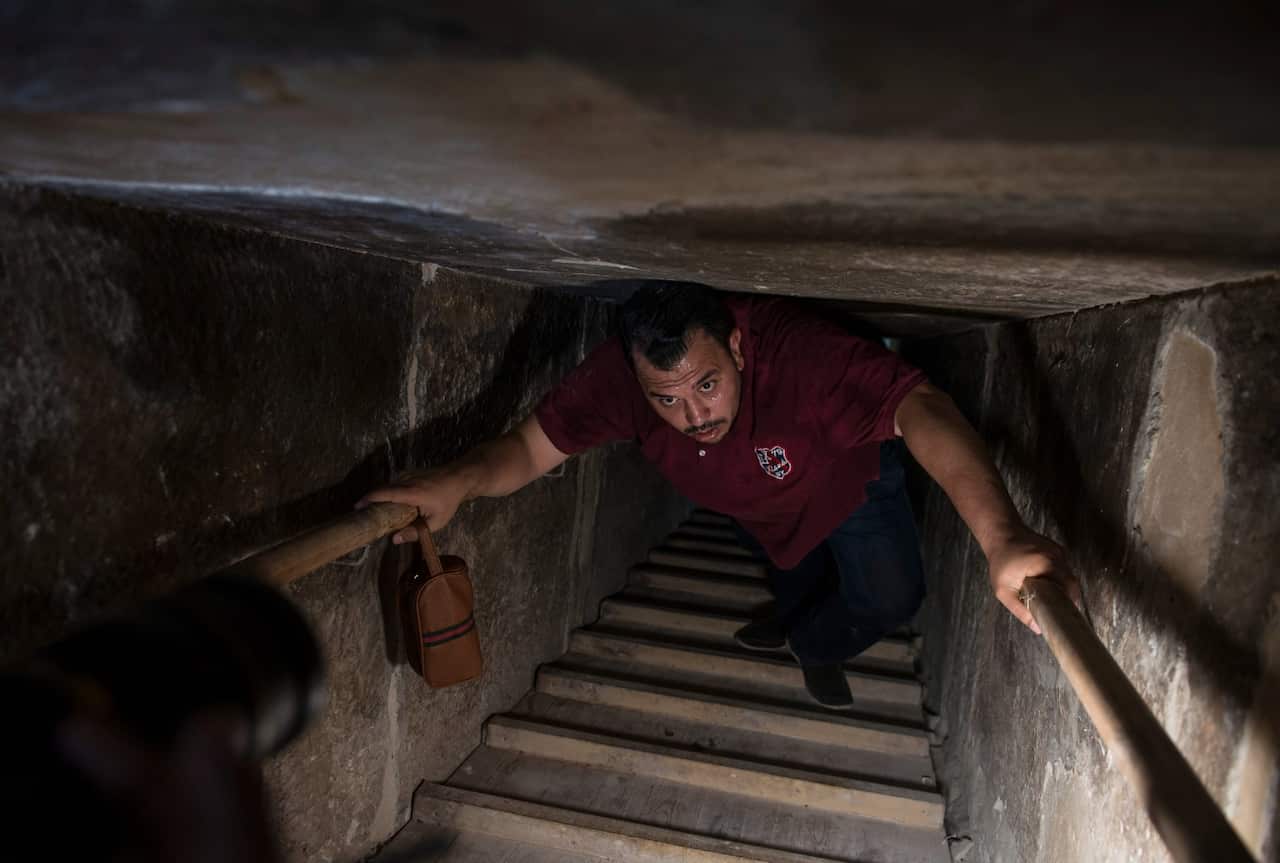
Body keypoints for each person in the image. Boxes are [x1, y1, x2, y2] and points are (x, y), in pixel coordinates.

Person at [360, 282, 1078, 708]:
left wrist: (1001, 535)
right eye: (665, 399)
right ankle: (796, 619)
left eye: (707, 384)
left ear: (737, 346)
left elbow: (924, 408)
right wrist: (456, 482)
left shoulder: (802, 355)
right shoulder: (619, 378)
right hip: (756, 512)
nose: (693, 414)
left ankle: (809, 642)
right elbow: (526, 448)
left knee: (891, 595)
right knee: (791, 573)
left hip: (847, 484)